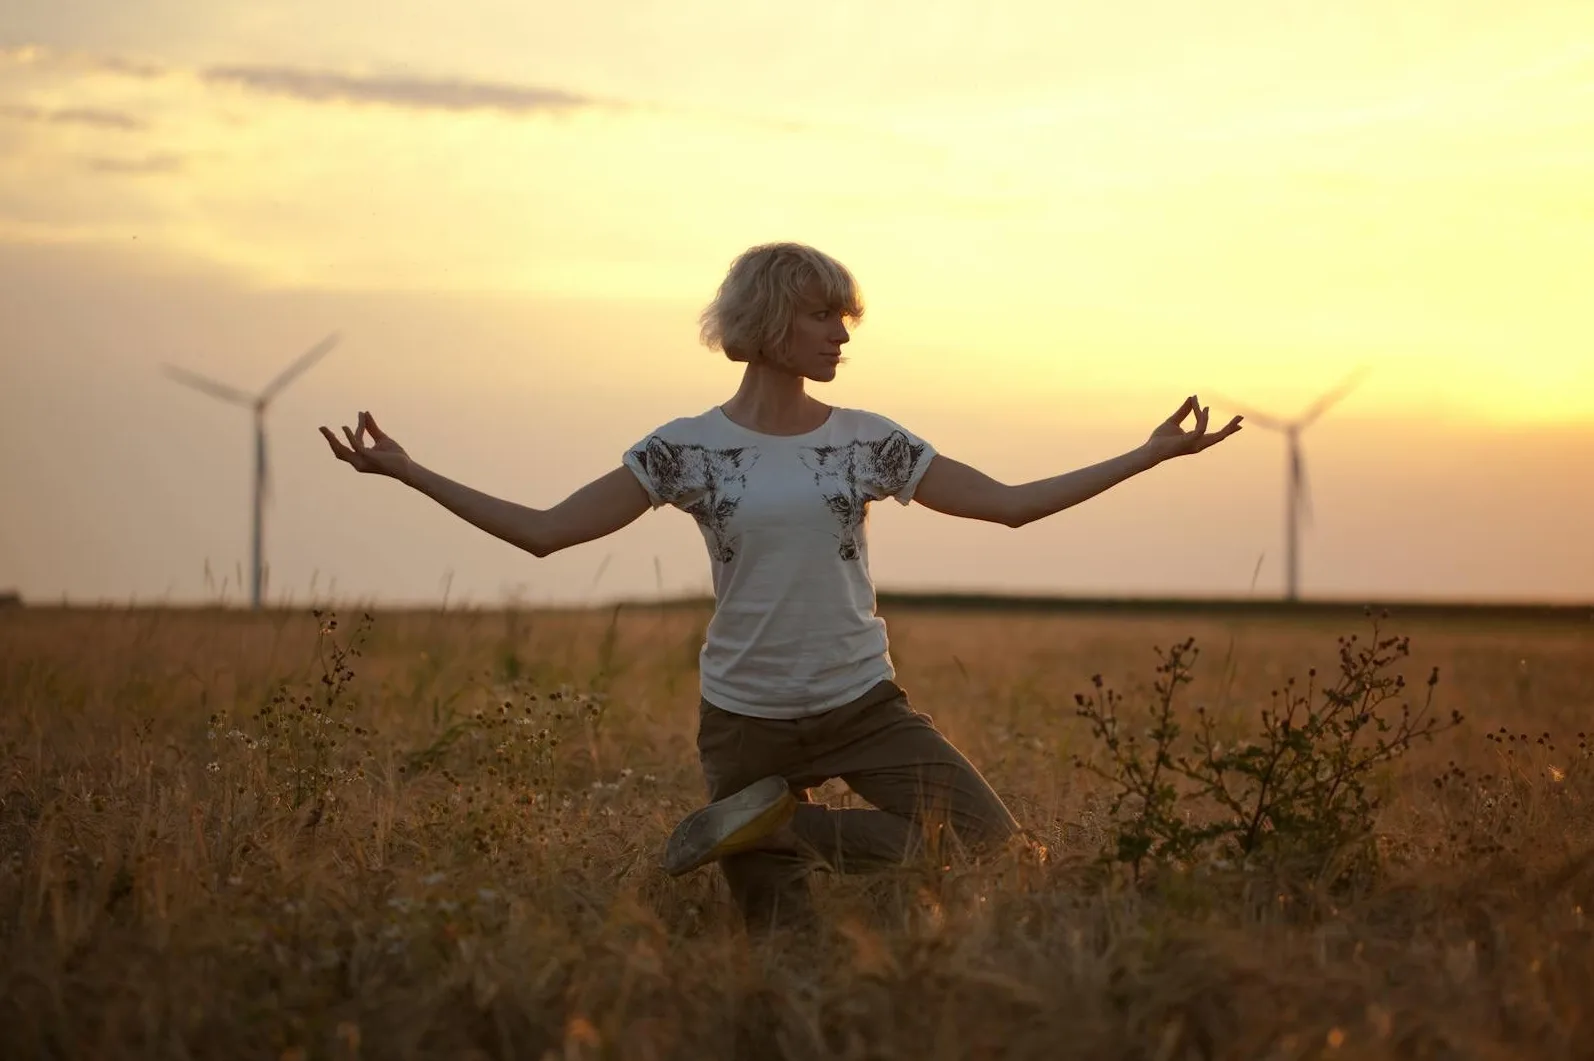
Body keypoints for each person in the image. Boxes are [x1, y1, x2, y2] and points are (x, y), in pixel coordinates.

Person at [319, 242, 1243, 930]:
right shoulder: (683, 448)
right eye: (819, 316)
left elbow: (1009, 506)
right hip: (744, 719)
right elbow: (545, 532)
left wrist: (1149, 454)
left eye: (844, 318)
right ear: (766, 323)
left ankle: (768, 829)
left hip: (861, 704)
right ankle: (755, 829)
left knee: (1003, 852)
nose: (840, 334)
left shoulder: (869, 441)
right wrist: (410, 471)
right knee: (783, 946)